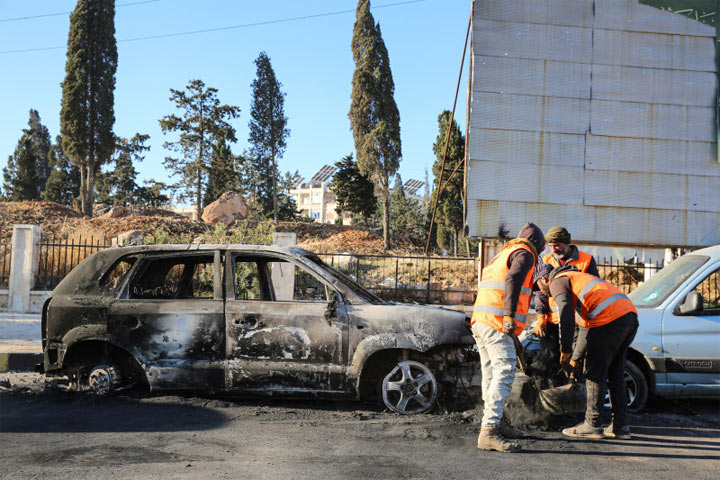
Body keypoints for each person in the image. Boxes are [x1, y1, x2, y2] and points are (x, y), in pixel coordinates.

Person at [535, 264, 639, 439]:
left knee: (594, 373)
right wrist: (574, 359)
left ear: (544, 279)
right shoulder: (582, 283)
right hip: (628, 316)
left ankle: (592, 424)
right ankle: (621, 427)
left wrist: (565, 351)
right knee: (615, 373)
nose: (544, 294)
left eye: (538, 287)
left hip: (608, 319)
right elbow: (584, 329)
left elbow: (565, 313)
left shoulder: (558, 280)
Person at [471, 222, 545, 452]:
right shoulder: (525, 253)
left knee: (491, 373)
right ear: (537, 245)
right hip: (496, 322)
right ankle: (489, 431)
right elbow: (513, 279)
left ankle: (496, 423)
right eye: (540, 250)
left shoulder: (503, 254)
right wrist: (509, 316)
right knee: (504, 371)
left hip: (481, 320)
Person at [533, 226, 599, 373]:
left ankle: (572, 392)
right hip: (552, 323)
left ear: (567, 243)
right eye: (550, 246)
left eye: (557, 245)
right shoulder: (546, 259)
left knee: (573, 363)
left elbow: (593, 290)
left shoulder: (586, 261)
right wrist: (540, 317)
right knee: (549, 363)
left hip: (576, 323)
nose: (553, 249)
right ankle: (552, 393)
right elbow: (541, 291)